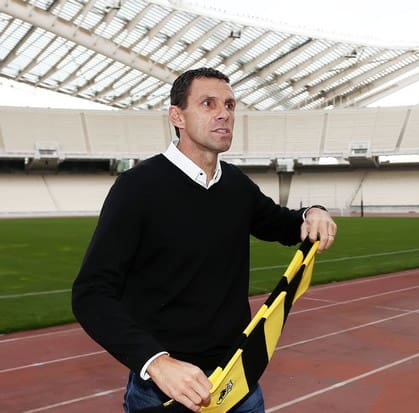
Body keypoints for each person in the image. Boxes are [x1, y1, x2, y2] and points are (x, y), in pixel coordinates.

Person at [71, 67, 337, 413]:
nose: (223, 114)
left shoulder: (236, 185)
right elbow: (91, 293)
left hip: (238, 383)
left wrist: (312, 212)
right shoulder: (137, 187)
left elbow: (283, 224)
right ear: (177, 116)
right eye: (208, 104)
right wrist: (156, 362)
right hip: (164, 392)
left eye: (229, 105)